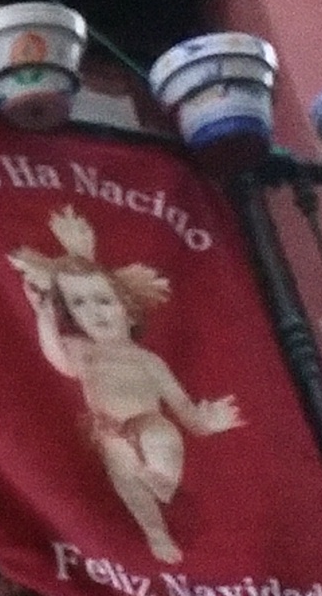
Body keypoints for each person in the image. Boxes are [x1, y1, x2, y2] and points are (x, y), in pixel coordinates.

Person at [13, 207, 241, 564]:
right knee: (124, 473)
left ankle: (162, 478)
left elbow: (183, 410)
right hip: (109, 430)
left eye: (104, 301)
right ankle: (156, 533)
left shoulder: (149, 361)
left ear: (129, 310)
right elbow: (56, 357)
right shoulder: (83, 350)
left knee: (162, 437)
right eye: (79, 305)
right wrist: (43, 313)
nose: (94, 312)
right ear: (70, 314)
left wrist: (207, 424)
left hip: (150, 421)